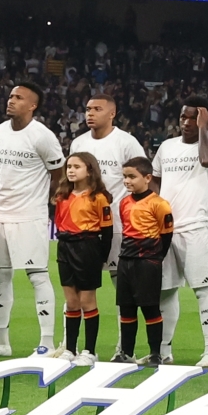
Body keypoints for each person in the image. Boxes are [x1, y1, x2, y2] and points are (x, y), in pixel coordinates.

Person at [0, 82, 66, 359]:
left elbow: (59, 174)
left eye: (19, 98)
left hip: (29, 214)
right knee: (0, 277)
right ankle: (1, 342)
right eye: (10, 96)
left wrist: (49, 203)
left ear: (32, 105)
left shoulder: (42, 136)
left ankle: (46, 342)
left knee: (37, 275)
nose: (11, 101)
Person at [154, 99, 208, 364]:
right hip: (166, 229)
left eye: (192, 118)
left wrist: (203, 130)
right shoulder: (166, 147)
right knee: (166, 290)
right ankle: (163, 351)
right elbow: (155, 179)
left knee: (203, 289)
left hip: (195, 227)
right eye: (183, 117)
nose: (185, 123)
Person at [71, 92, 142, 293]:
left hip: (117, 223)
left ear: (112, 114)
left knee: (122, 285)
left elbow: (143, 177)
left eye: (97, 109)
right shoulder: (78, 143)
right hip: (83, 227)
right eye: (88, 109)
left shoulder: (126, 142)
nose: (90, 114)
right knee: (77, 287)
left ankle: (125, 325)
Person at [52, 152, 112, 365]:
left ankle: (89, 350)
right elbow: (59, 223)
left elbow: (107, 232)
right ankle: (70, 348)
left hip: (88, 247)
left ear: (89, 170)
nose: (70, 170)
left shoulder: (98, 198)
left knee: (87, 301)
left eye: (76, 166)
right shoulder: (62, 196)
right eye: (69, 166)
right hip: (65, 247)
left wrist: (99, 257)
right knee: (71, 301)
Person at [113, 158, 173, 363]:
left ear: (147, 178)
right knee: (127, 308)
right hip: (126, 261)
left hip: (147, 262)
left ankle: (156, 353)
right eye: (124, 177)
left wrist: (154, 257)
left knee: (150, 308)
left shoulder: (159, 204)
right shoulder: (124, 202)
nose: (127, 181)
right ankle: (127, 353)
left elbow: (166, 235)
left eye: (132, 176)